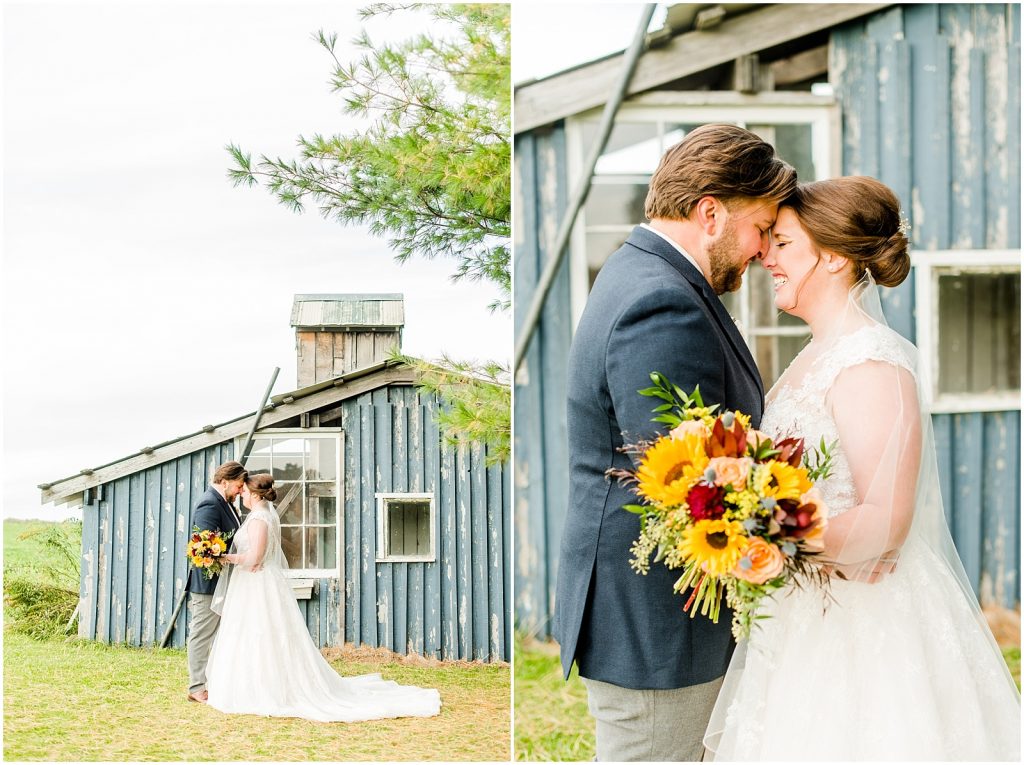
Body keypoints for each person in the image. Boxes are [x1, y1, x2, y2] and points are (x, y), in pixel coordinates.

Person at [703, 176, 1021, 760]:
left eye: (784, 243)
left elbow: (887, 520)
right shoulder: (816, 355)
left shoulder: (871, 362)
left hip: (866, 622)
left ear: (832, 258)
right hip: (806, 609)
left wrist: (768, 535)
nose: (767, 256)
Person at [555, 123, 797, 761]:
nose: (761, 250)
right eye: (760, 228)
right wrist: (807, 536)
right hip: (659, 620)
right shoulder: (663, 302)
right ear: (711, 213)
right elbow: (693, 482)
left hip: (656, 607)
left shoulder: (642, 272)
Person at [204, 473, 441, 722]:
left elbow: (255, 558)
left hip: (258, 583)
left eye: (243, 491)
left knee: (262, 633)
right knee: (256, 632)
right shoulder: (262, 514)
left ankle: (264, 689)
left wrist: (224, 557)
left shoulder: (259, 519)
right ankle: (249, 683)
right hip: (255, 583)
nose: (240, 494)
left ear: (254, 494)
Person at [186, 460, 246, 703]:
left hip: (227, 582)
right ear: (225, 482)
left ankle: (216, 681)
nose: (241, 490)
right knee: (202, 633)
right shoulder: (210, 504)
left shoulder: (226, 503)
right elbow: (203, 548)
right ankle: (197, 687)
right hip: (209, 584)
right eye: (239, 486)